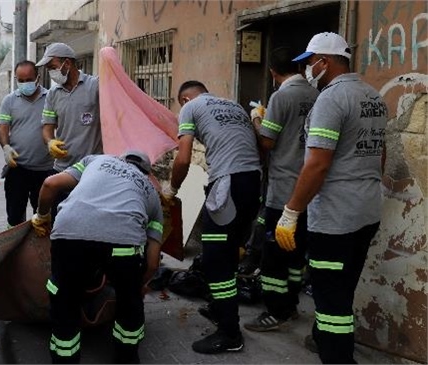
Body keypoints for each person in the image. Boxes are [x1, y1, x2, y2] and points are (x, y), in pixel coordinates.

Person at [276, 32, 387, 364]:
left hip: (336, 220)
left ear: (325, 61)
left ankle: (337, 357)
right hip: (366, 212)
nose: (308, 68)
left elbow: (318, 164)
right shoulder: (372, 96)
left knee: (330, 301)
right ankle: (322, 339)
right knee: (344, 288)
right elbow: (380, 155)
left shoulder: (331, 99)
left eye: (310, 62)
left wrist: (291, 212)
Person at [31, 151, 163, 364]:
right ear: (147, 173)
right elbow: (153, 261)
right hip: (124, 246)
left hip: (70, 235)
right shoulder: (152, 193)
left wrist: (42, 215)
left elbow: (49, 184)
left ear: (120, 158)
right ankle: (126, 358)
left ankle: (65, 359)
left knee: (65, 299)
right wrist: (138, 285)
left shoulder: (96, 160)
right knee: (130, 303)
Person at [163, 81, 261, 354]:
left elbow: (183, 159)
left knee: (216, 258)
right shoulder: (234, 105)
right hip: (253, 183)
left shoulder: (191, 108)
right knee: (229, 253)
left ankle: (230, 334)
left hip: (228, 185)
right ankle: (221, 309)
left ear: (184, 99)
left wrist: (172, 190)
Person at [244, 47, 319, 332]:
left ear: (273, 73)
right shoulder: (316, 94)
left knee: (275, 254)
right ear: (301, 68)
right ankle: (291, 305)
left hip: (284, 190)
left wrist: (256, 117)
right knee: (297, 253)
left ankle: (276, 311)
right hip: (310, 189)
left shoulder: (282, 96)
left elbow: (267, 142)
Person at [0, 60, 54, 227]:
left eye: (28, 79)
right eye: (20, 80)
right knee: (14, 218)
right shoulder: (10, 101)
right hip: (18, 170)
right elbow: (2, 128)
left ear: (37, 78)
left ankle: (42, 252)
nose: (24, 84)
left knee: (45, 217)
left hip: (46, 171)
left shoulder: (50, 98)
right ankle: (16, 251)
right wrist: (6, 148)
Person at [36, 42, 102, 174]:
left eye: (52, 67)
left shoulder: (95, 86)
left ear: (67, 63)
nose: (51, 73)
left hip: (92, 169)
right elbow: (47, 127)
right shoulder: (52, 94)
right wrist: (50, 142)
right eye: (49, 69)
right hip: (62, 168)